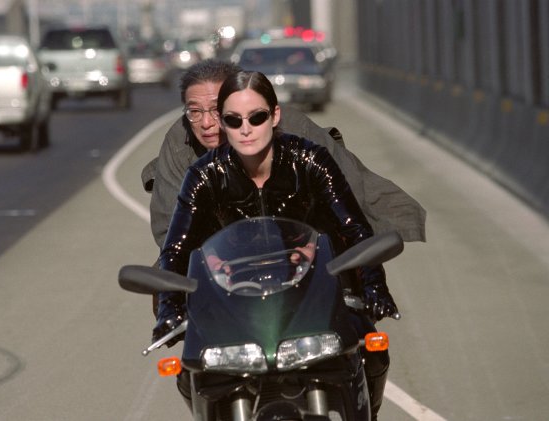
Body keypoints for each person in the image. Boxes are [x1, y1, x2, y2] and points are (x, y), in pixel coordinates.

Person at [154, 70, 400, 420]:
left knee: (372, 351)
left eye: (256, 117)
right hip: (237, 296)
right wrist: (169, 307)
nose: (246, 128)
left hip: (315, 288)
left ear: (274, 115)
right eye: (233, 119)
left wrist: (374, 285)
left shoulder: (310, 159)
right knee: (191, 369)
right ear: (223, 124)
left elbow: (354, 228)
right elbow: (176, 250)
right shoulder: (204, 175)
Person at [141, 59, 426, 254]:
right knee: (170, 289)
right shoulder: (180, 142)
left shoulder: (293, 129)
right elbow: (169, 223)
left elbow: (345, 189)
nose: (206, 123)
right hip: (225, 252)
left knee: (357, 281)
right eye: (195, 112)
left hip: (307, 238)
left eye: (217, 110)